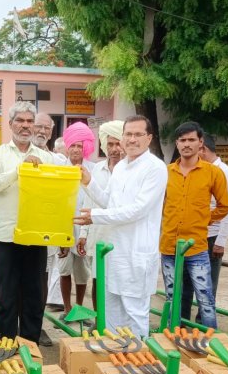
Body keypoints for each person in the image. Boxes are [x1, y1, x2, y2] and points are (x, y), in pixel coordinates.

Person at [73, 115, 167, 337]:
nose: (132, 139)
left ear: (149, 138)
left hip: (137, 253)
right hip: (115, 252)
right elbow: (110, 202)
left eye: (138, 134)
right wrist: (89, 183)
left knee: (135, 312)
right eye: (128, 134)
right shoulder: (122, 167)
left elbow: (138, 209)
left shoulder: (155, 168)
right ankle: (116, 359)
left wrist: (96, 216)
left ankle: (139, 360)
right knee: (112, 311)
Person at [0, 102, 55, 344]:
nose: (25, 125)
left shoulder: (46, 157)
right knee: (7, 295)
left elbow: (53, 197)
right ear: (10, 124)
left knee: (35, 294)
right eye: (20, 121)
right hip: (7, 235)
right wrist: (18, 171)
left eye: (29, 121)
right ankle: (8, 343)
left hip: (36, 235)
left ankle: (30, 345)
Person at [160, 122, 228, 330]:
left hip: (197, 247)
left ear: (200, 143)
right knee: (172, 297)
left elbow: (225, 206)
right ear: (177, 143)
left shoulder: (212, 173)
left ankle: (210, 342)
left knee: (205, 297)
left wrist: (203, 218)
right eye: (182, 140)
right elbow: (158, 205)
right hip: (169, 246)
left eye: (191, 139)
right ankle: (174, 337)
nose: (186, 144)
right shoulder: (166, 172)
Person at [181, 133, 228, 323]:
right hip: (191, 236)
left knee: (205, 286)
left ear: (202, 148)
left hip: (211, 238)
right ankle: (180, 324)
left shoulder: (225, 173)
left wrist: (221, 242)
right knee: (185, 285)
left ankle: (203, 327)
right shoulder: (194, 170)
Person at [76, 120, 124, 311]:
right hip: (99, 234)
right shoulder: (97, 169)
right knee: (97, 279)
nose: (114, 149)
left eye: (117, 143)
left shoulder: (129, 171)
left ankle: (115, 321)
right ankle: (98, 319)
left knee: (118, 281)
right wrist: (83, 233)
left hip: (121, 235)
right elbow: (90, 202)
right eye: (110, 144)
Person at [31, 112, 63, 345]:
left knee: (41, 283)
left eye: (47, 129)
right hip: (20, 232)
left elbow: (63, 199)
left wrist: (63, 234)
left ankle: (37, 326)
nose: (42, 131)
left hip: (48, 233)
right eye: (38, 126)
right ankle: (17, 330)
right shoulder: (16, 155)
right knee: (19, 283)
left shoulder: (58, 161)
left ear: (51, 133)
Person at [58, 122, 95, 318]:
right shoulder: (61, 168)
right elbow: (57, 202)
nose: (75, 149)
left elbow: (92, 200)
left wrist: (84, 235)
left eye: (79, 146)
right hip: (64, 229)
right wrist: (60, 237)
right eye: (72, 145)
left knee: (82, 273)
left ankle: (79, 307)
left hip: (84, 229)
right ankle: (66, 308)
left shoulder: (92, 170)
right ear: (67, 146)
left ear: (85, 148)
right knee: (64, 270)